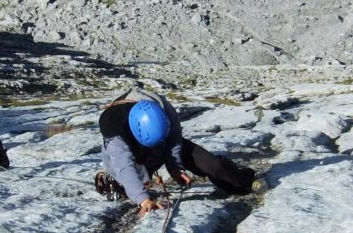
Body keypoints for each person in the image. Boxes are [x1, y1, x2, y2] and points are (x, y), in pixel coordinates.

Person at [96, 86, 259, 215]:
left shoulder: (164, 110)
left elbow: (174, 140)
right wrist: (143, 199)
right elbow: (124, 164)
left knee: (214, 165)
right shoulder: (112, 123)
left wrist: (175, 167)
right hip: (130, 152)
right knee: (130, 182)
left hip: (164, 144)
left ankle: (241, 183)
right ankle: (113, 181)